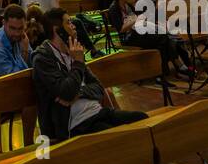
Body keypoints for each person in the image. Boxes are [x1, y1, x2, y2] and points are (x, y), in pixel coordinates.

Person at [32, 7, 148, 142]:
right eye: (68, 23)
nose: (73, 26)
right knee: (118, 137)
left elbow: (98, 88)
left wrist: (79, 93)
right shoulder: (43, 58)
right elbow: (66, 92)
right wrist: (78, 63)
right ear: (56, 30)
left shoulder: (73, 51)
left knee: (141, 119)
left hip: (97, 112)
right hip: (75, 124)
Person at [0, 4, 36, 152]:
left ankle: (31, 146)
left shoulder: (20, 38)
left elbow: (33, 63)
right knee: (31, 99)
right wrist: (24, 51)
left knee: (41, 95)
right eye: (13, 28)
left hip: (12, 91)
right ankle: (0, 155)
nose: (17, 33)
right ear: (4, 23)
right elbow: (15, 78)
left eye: (21, 28)